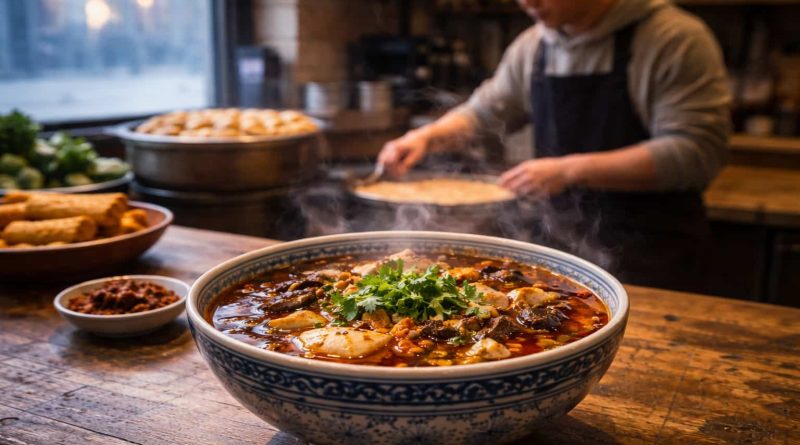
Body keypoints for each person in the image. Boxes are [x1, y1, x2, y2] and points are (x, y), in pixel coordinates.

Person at [377, 0, 731, 292]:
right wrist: (425, 138)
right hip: (562, 251)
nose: (527, 2)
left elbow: (696, 151)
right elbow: (484, 112)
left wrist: (568, 170)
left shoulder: (674, 39)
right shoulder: (534, 45)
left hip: (654, 256)